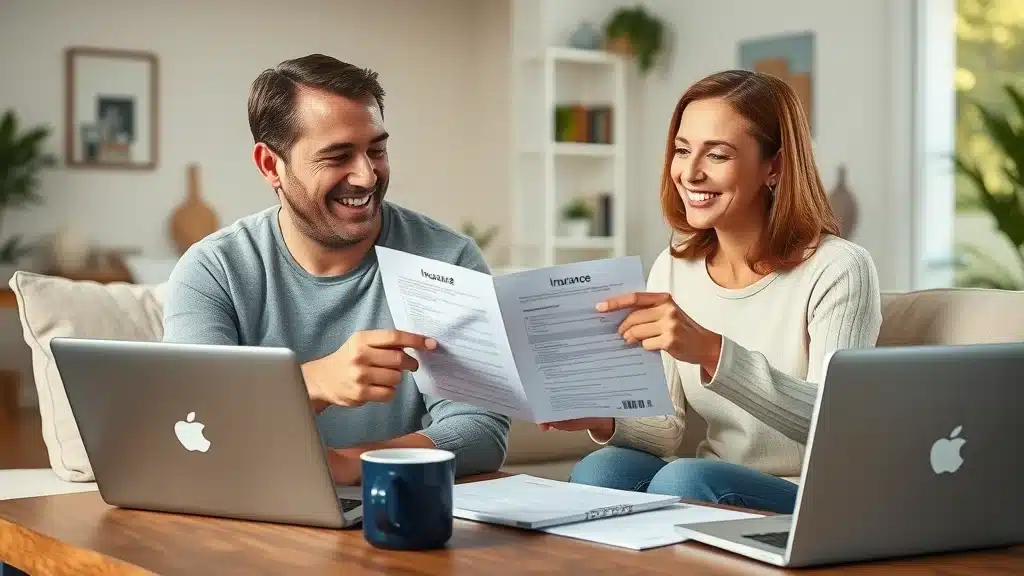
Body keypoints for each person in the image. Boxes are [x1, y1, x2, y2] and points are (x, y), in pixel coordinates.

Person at [540, 70, 882, 514]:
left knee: (685, 477)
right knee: (602, 470)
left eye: (717, 155)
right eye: (682, 151)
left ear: (773, 166)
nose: (690, 173)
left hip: (813, 493)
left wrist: (712, 352)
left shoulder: (839, 268)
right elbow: (665, 430)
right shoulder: (674, 267)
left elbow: (836, 421)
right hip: (712, 480)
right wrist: (602, 420)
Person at [161, 54, 510, 485]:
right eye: (337, 156)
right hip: (251, 506)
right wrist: (309, 385)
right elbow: (196, 420)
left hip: (396, 505)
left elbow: (480, 432)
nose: (366, 177)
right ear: (271, 165)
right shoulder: (214, 270)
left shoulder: (446, 260)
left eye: (376, 150)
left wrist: (350, 465)